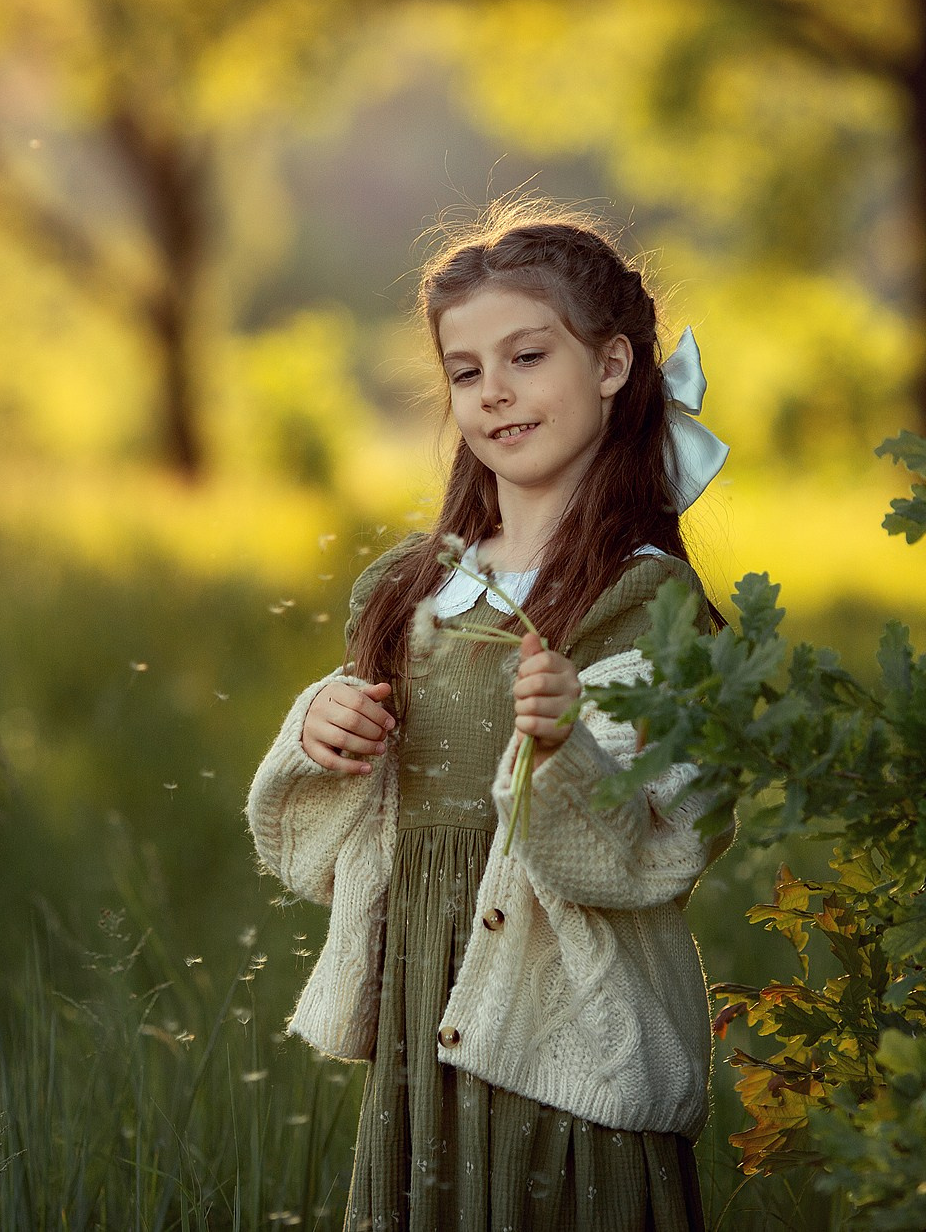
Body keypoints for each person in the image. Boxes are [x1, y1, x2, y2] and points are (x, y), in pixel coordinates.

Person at [245, 205, 736, 1231]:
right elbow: (337, 840)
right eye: (465, 371)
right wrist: (323, 732)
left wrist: (569, 742)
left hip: (568, 1017)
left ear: (610, 365)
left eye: (525, 355)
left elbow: (663, 832)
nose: (494, 391)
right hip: (430, 998)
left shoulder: (644, 599)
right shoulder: (412, 590)